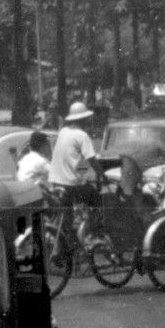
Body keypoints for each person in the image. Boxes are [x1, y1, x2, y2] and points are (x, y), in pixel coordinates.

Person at [47, 102, 103, 252]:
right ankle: (93, 234)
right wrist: (101, 174)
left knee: (67, 216)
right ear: (83, 120)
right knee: (98, 199)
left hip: (56, 181)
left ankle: (70, 243)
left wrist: (82, 175)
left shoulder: (63, 131)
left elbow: (75, 159)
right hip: (71, 184)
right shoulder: (82, 136)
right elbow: (91, 159)